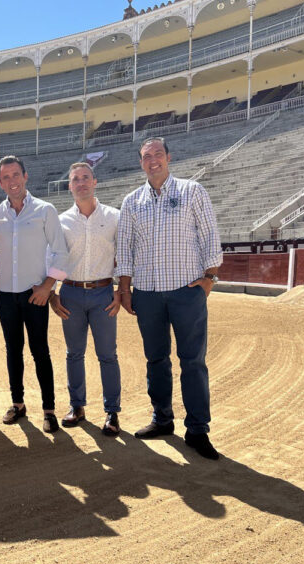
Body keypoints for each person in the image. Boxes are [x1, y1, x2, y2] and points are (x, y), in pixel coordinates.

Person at [117, 137, 223, 460]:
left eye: (158, 154)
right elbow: (125, 249)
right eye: (146, 157)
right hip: (147, 294)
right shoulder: (131, 202)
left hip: (186, 292)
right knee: (156, 360)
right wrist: (124, 288)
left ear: (169, 157)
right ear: (141, 163)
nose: (153, 161)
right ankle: (162, 419)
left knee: (193, 361)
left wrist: (209, 280)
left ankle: (197, 430)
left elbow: (209, 237)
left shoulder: (192, 192)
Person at [0, 155, 68, 433]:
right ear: (0, 182)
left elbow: (61, 251)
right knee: (13, 351)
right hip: (3, 293)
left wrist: (48, 286)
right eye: (6, 177)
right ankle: (18, 403)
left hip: (35, 293)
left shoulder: (45, 210)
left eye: (16, 175)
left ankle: (49, 409)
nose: (12, 181)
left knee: (40, 351)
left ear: (26, 176)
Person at [50, 162, 122, 436]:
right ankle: (77, 406)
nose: (80, 183)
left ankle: (112, 412)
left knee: (107, 355)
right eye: (75, 179)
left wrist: (121, 290)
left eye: (85, 178)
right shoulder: (61, 220)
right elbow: (53, 256)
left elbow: (125, 255)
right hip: (71, 292)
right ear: (69, 186)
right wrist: (53, 294)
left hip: (104, 292)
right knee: (74, 354)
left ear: (95, 182)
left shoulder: (114, 216)